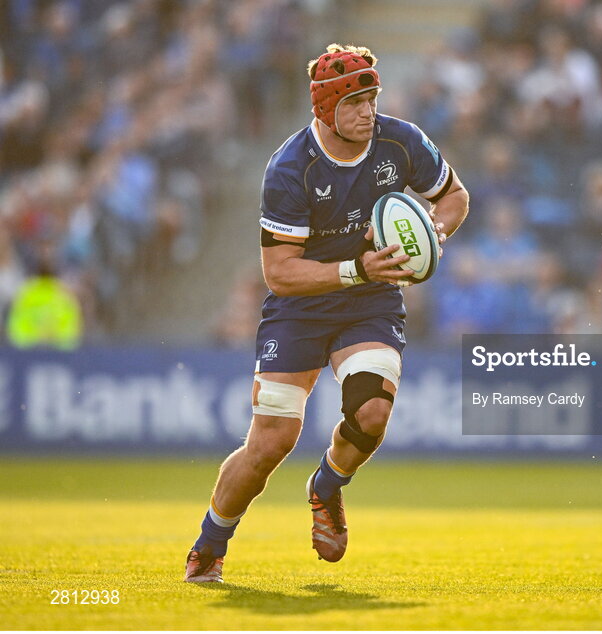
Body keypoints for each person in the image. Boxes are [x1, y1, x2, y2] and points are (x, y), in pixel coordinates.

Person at [184, 44, 470, 583]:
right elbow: (280, 273)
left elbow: (454, 196)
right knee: (271, 442)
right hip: (300, 309)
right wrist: (358, 268)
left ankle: (327, 486)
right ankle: (209, 544)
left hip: (371, 301)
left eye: (372, 98)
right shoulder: (290, 167)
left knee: (372, 414)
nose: (369, 110)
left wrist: (435, 231)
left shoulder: (401, 140)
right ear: (325, 108)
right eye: (355, 102)